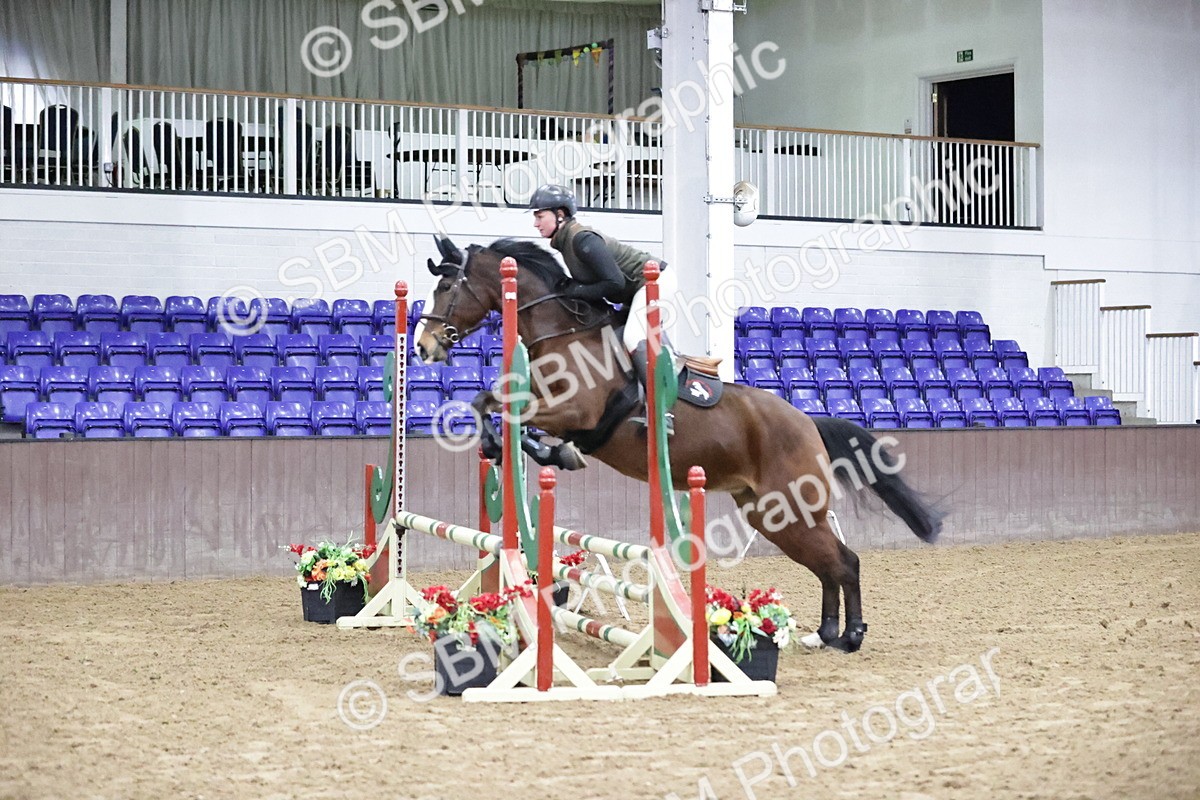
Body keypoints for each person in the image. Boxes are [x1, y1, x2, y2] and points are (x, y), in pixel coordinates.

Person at [528, 183, 678, 431]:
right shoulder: (565, 242)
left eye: (540, 216)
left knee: (632, 337)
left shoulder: (582, 239)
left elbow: (614, 282)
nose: (536, 223)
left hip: (654, 281)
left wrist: (575, 289)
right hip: (634, 290)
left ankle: (662, 411)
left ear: (560, 214)